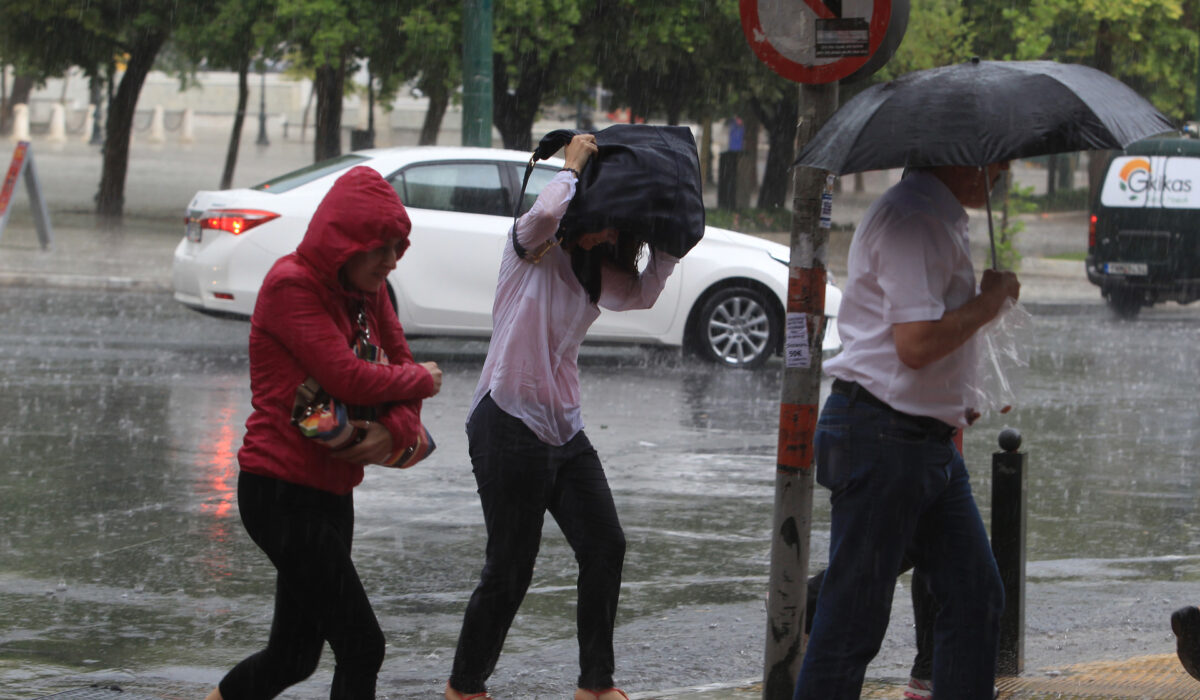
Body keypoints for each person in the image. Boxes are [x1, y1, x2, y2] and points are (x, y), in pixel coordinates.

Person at [445, 133, 680, 700]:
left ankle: (595, 686)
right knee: (510, 569)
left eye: (613, 227)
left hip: (564, 429)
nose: (604, 233)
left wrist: (673, 238)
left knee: (605, 546)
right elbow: (549, 209)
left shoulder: (598, 273)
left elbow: (646, 292)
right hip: (506, 420)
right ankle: (465, 687)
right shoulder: (529, 247)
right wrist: (572, 167)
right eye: (599, 221)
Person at [204, 166, 443, 700]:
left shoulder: (368, 292)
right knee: (362, 646)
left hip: (334, 489)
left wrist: (399, 425)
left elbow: (395, 364)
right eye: (381, 248)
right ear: (344, 243)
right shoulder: (293, 284)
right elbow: (348, 375)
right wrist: (423, 381)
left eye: (398, 248)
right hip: (279, 493)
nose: (391, 262)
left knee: (294, 658)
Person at [792, 162, 1020, 700]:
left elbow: (921, 339)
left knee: (974, 592)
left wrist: (955, 395)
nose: (1003, 171)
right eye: (993, 161)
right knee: (852, 621)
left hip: (924, 440)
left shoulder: (942, 218)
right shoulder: (912, 218)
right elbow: (914, 345)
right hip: (882, 436)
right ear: (951, 155)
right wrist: (990, 304)